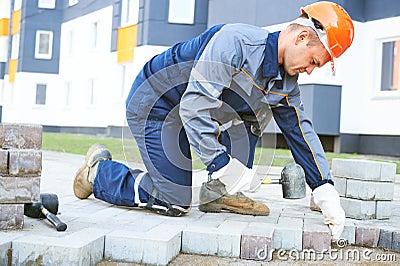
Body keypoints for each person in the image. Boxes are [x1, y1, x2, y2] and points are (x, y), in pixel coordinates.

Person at [73, 1, 354, 240]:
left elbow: (299, 130)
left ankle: (218, 193)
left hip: (191, 112)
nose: (310, 71)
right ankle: (98, 172)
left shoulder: (286, 82)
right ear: (302, 37)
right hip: (156, 105)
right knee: (174, 201)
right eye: (315, 61)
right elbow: (194, 106)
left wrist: (323, 186)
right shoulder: (236, 43)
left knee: (257, 113)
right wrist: (221, 164)